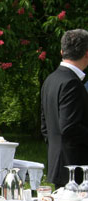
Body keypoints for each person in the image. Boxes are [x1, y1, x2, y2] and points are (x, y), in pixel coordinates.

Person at [41, 29, 88, 187]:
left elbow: (45, 126)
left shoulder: (51, 79)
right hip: (74, 168)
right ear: (86, 54)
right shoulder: (71, 83)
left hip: (58, 163)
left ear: (62, 51)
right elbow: (69, 127)